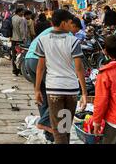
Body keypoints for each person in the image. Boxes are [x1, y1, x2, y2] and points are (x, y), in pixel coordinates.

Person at [34, 9, 87, 144]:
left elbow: (40, 67)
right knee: (65, 128)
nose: (71, 25)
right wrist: (84, 92)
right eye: (70, 23)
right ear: (63, 23)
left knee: (59, 131)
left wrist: (37, 89)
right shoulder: (73, 41)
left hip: (54, 90)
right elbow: (79, 68)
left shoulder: (43, 40)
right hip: (71, 90)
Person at [24, 25, 54, 142]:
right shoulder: (66, 34)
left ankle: (48, 133)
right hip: (39, 61)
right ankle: (45, 123)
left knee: (42, 95)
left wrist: (36, 89)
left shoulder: (48, 30)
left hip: (28, 59)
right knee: (56, 96)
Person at [11, 8, 26, 76]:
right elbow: (22, 30)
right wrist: (24, 38)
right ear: (19, 12)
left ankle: (14, 70)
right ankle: (20, 69)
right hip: (19, 40)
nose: (23, 13)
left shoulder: (12, 18)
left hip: (13, 39)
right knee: (20, 55)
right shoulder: (21, 19)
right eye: (22, 12)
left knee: (14, 55)